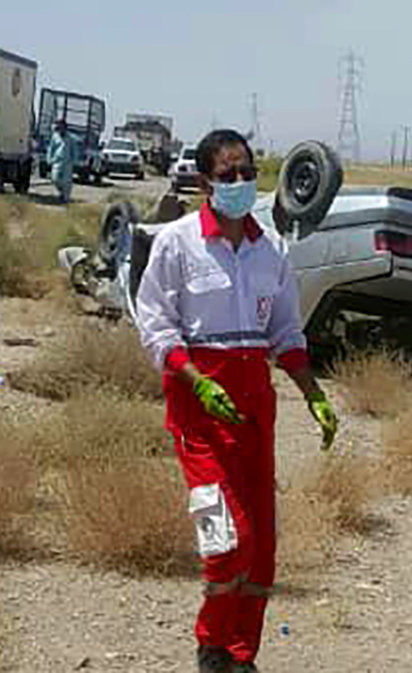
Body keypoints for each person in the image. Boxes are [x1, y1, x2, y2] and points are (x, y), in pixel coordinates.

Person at [135, 129, 339, 673]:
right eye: (228, 175)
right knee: (226, 542)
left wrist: (313, 394)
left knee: (262, 548)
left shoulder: (270, 248)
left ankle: (241, 655)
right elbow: (155, 325)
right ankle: (212, 646)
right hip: (198, 417)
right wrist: (197, 379)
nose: (242, 183)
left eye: (248, 172)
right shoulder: (177, 244)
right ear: (204, 182)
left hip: (254, 416)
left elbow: (286, 333)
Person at [46, 120, 73, 203]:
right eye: (59, 128)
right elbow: (51, 148)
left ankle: (65, 198)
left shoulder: (70, 138)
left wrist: (73, 161)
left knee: (67, 181)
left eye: (62, 127)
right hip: (57, 161)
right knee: (55, 179)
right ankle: (61, 191)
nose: (61, 129)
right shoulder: (55, 137)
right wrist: (49, 159)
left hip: (67, 162)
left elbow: (74, 150)